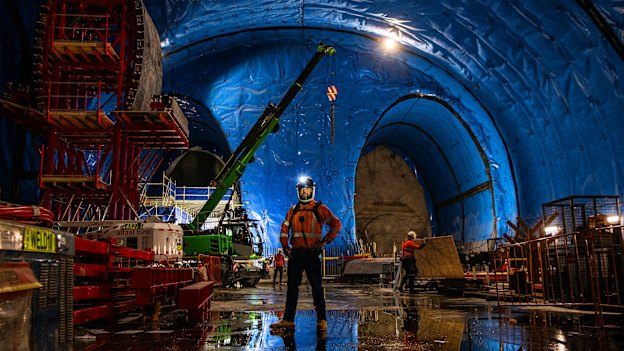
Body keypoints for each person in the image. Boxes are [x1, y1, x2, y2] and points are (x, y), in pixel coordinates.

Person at [270, 177, 342, 332]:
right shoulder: (293, 210)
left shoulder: (320, 208)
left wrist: (324, 242)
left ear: (312, 190)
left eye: (307, 189)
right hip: (296, 254)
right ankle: (288, 320)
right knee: (292, 288)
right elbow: (284, 229)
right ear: (298, 190)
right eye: (302, 189)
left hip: (311, 254)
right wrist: (285, 246)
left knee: (316, 287)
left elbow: (336, 225)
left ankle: (321, 320)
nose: (304, 191)